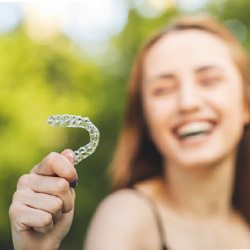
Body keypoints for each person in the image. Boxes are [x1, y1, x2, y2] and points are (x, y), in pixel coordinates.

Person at [9, 14, 250, 250]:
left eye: (209, 80)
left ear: (246, 104)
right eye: (163, 89)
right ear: (145, 116)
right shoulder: (126, 218)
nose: (188, 102)